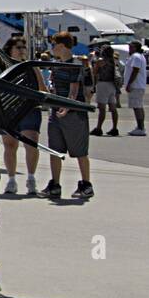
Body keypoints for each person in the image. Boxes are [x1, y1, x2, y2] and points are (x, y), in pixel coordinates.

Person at [41, 32, 94, 199]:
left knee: (79, 151)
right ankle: (55, 184)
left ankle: (86, 185)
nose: (52, 49)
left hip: (73, 114)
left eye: (54, 45)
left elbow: (74, 89)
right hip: (56, 112)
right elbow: (55, 87)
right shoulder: (56, 64)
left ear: (62, 46)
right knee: (55, 150)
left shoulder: (75, 64)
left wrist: (67, 108)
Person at [1, 34, 45, 196]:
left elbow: (42, 89)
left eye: (23, 47)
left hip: (29, 110)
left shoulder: (31, 66)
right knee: (9, 145)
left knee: (30, 143)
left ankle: (31, 179)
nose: (21, 51)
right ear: (10, 50)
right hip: (10, 111)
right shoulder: (4, 67)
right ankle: (11, 180)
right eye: (18, 47)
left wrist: (35, 71)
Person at [124, 41, 146, 136]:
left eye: (131, 47)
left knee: (137, 107)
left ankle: (140, 128)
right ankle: (140, 127)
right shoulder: (138, 56)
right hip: (138, 85)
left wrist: (129, 84)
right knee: (138, 106)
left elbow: (135, 71)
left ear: (135, 47)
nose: (129, 48)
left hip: (135, 86)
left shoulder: (136, 57)